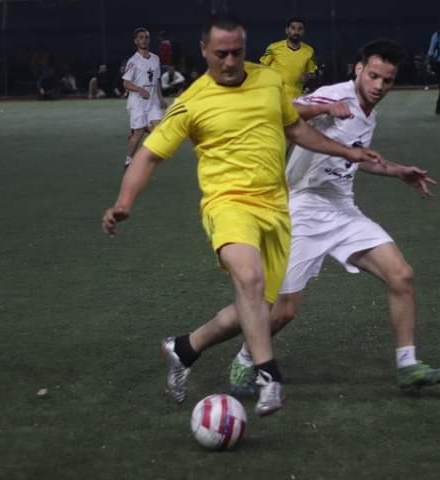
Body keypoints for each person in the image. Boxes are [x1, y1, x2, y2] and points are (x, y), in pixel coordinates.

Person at [101, 15, 384, 417]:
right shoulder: (193, 102)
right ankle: (268, 375)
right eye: (221, 54)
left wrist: (348, 152)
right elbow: (149, 154)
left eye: (237, 52)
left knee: (256, 309)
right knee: (249, 279)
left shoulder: (268, 81)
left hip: (276, 208)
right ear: (204, 51)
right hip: (227, 204)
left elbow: (295, 129)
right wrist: (124, 201)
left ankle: (184, 348)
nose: (230, 61)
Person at [227, 40, 440, 397]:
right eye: (373, 76)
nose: (379, 86)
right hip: (301, 207)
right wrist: (325, 107)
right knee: (285, 310)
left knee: (401, 275)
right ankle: (244, 357)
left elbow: (355, 158)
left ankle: (408, 367)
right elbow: (285, 110)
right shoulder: (337, 95)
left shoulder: (368, 113)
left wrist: (397, 171)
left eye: (387, 80)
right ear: (359, 69)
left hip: (342, 209)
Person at [122, 27, 168, 169]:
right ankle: (129, 160)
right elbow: (126, 83)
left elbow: (156, 80)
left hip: (153, 102)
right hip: (137, 103)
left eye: (146, 37)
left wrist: (161, 99)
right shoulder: (133, 61)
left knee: (158, 132)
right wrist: (140, 89)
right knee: (139, 134)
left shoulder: (155, 58)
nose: (144, 40)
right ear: (136, 41)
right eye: (141, 38)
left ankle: (144, 130)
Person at [260, 17, 318, 99]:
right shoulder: (273, 48)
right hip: (276, 96)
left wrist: (308, 76)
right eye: (293, 28)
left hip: (297, 97)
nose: (296, 32)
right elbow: (262, 68)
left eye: (300, 29)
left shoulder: (309, 51)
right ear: (287, 30)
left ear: (303, 32)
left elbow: (313, 73)